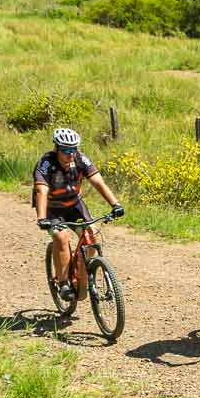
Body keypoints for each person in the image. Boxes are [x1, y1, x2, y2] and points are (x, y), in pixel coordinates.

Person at [33, 127, 122, 300]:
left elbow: (98, 182)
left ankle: (80, 271)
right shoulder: (46, 163)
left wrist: (115, 204)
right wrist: (42, 218)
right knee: (61, 238)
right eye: (65, 150)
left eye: (73, 150)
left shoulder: (80, 159)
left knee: (92, 236)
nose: (70, 155)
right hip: (52, 208)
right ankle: (64, 282)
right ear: (57, 149)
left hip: (74, 204)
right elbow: (41, 191)